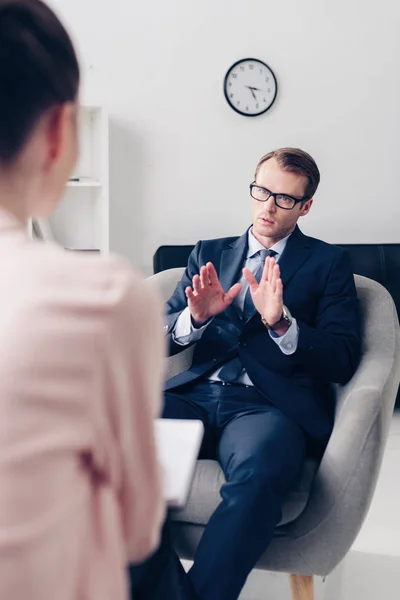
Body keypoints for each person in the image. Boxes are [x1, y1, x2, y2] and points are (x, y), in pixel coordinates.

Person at [0, 2, 185, 599]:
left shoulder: (325, 264)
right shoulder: (102, 297)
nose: (268, 205)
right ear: (59, 132)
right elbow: (138, 531)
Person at [163, 147, 362, 600]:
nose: (269, 206)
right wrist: (195, 319)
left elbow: (343, 356)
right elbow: (162, 337)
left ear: (306, 206)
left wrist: (282, 324)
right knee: (112, 445)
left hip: (266, 408)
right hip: (193, 394)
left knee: (260, 472)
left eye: (285, 199)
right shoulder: (208, 252)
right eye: (261, 191)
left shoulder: (329, 263)